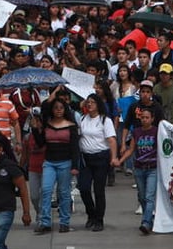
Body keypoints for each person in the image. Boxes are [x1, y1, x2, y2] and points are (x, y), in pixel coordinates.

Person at [32, 99, 79, 234]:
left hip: (66, 162)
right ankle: (45, 222)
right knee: (46, 190)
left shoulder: (71, 126)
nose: (58, 110)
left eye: (61, 107)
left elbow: (75, 148)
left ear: (65, 110)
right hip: (49, 163)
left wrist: (75, 166)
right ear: (52, 110)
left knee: (64, 193)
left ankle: (64, 222)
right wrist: (35, 129)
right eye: (56, 108)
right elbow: (41, 143)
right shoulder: (47, 125)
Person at [115, 107, 158, 235]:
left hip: (152, 169)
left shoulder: (156, 131)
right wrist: (120, 160)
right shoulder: (137, 132)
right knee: (142, 196)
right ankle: (149, 218)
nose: (144, 120)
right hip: (139, 168)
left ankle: (145, 222)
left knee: (150, 196)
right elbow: (131, 149)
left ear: (152, 119)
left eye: (147, 117)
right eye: (143, 117)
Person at [78, 94, 117, 232]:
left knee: (99, 190)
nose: (89, 105)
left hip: (101, 158)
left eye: (92, 102)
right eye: (88, 103)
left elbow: (111, 140)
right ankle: (91, 213)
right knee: (83, 188)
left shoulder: (105, 120)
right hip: (85, 159)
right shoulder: (82, 119)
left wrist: (114, 157)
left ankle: (99, 219)